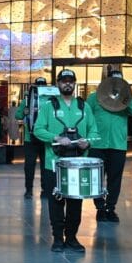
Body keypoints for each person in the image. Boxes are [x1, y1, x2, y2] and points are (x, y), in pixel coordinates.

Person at [33, 69, 97, 253]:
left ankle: (72, 237)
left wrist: (88, 141)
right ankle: (58, 238)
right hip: (54, 163)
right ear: (58, 84)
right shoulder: (48, 106)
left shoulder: (84, 107)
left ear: (74, 84)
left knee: (75, 202)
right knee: (55, 201)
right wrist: (56, 138)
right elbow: (38, 130)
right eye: (64, 81)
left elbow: (94, 130)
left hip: (78, 164)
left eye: (70, 81)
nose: (67, 84)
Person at [85, 69, 132, 223]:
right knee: (96, 178)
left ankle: (110, 208)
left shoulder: (126, 100)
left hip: (118, 145)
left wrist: (128, 99)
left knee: (115, 179)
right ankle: (100, 208)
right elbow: (85, 117)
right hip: (97, 144)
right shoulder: (93, 98)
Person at [16, 77, 50, 199]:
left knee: (45, 166)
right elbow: (17, 115)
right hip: (30, 138)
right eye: (38, 85)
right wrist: (24, 111)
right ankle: (29, 190)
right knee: (29, 166)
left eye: (42, 85)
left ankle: (45, 189)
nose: (40, 87)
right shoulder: (27, 99)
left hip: (45, 138)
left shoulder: (50, 100)